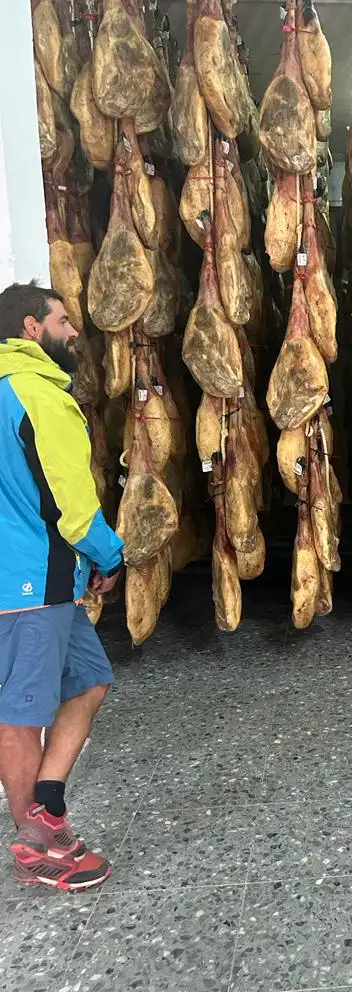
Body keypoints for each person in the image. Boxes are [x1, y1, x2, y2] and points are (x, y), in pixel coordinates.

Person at [0, 282, 123, 890]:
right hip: (28, 582)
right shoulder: (35, 394)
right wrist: (108, 552)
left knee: (91, 681)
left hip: (40, 579)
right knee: (22, 714)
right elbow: (70, 503)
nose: (74, 331)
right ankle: (36, 843)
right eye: (64, 320)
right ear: (31, 327)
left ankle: (46, 803)